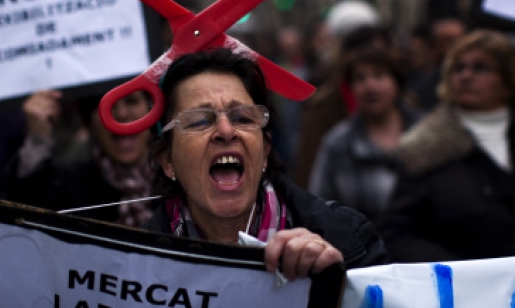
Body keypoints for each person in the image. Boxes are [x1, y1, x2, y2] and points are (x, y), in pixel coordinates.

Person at [143, 47, 388, 280]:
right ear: (167, 161)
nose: (226, 131)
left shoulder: (348, 238)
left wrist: (335, 286)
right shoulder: (134, 265)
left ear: (266, 148)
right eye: (198, 121)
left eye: (243, 117)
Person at [379, 29, 515, 262]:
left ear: (509, 79)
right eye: (458, 68)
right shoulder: (424, 149)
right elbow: (397, 234)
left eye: (480, 67)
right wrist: (462, 271)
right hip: (470, 291)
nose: (466, 76)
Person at [6, 89, 154, 226]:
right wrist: (38, 138)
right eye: (105, 103)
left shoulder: (173, 178)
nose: (121, 114)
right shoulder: (69, 188)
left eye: (132, 101)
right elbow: (26, 212)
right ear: (87, 122)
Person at [308, 47, 420, 222]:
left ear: (397, 83)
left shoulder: (426, 133)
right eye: (360, 78)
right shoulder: (338, 142)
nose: (370, 86)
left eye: (379, 75)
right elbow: (320, 206)